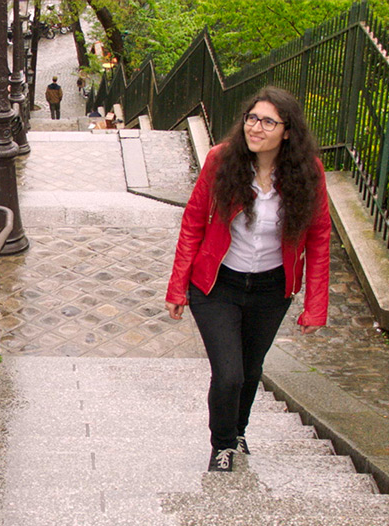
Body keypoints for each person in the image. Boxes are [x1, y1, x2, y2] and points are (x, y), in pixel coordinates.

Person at [165, 86, 331, 472]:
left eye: (268, 121)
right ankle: (222, 445)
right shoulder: (221, 161)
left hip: (272, 289)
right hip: (217, 285)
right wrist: (178, 286)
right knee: (229, 374)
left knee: (251, 369)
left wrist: (315, 307)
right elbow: (192, 222)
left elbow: (319, 236)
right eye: (251, 118)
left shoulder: (309, 172)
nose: (256, 128)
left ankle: (238, 430)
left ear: (287, 131)